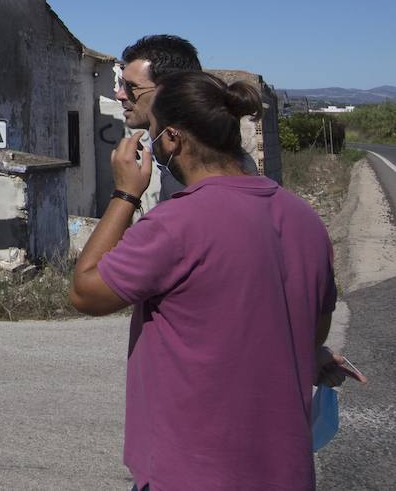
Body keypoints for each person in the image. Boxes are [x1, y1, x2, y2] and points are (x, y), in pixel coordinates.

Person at [70, 70, 353, 490]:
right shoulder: (305, 219)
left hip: (189, 473)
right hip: (286, 473)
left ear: (172, 139)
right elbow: (314, 329)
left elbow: (85, 292)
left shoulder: (176, 222)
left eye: (151, 133)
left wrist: (126, 193)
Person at [115, 34, 202, 201]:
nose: (120, 95)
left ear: (168, 91)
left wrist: (125, 193)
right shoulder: (175, 160)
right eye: (121, 84)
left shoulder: (191, 173)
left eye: (131, 86)